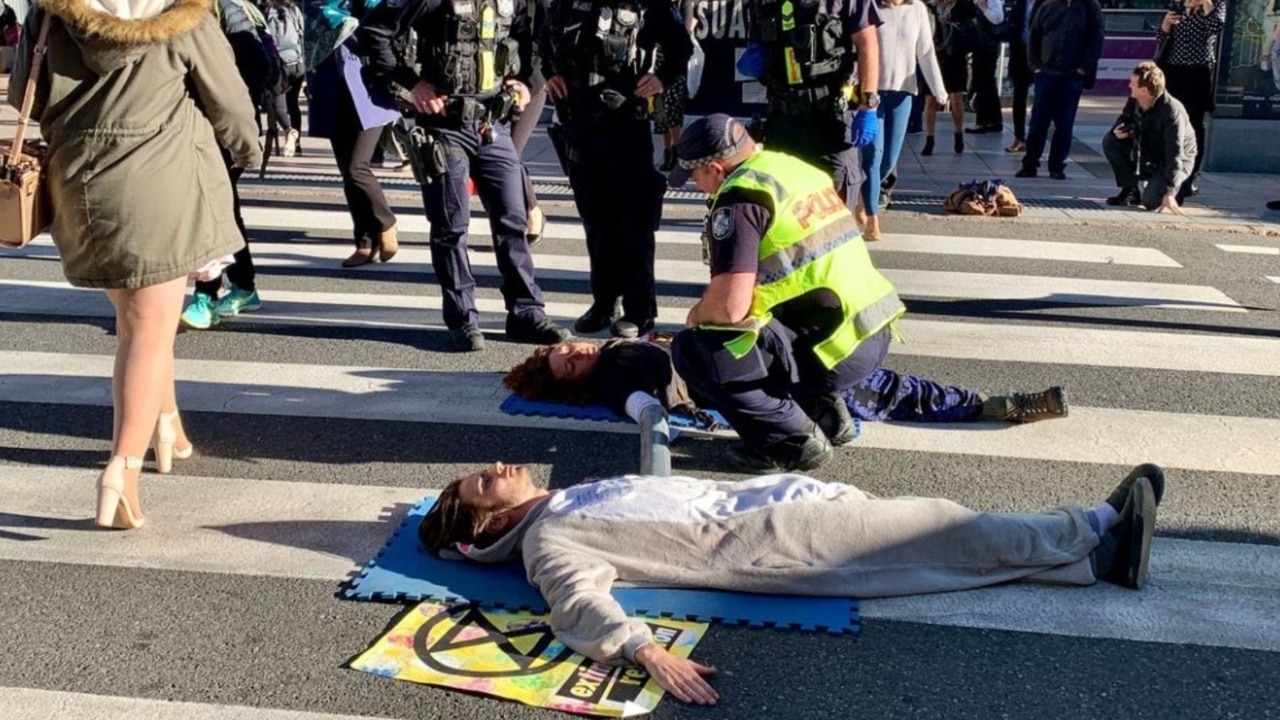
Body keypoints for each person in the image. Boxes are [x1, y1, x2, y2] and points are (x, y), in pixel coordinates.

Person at [418, 461, 1166, 704]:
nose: (502, 468)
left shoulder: (562, 498)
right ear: (484, 526)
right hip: (776, 544)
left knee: (940, 541)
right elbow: (577, 598)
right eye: (486, 483)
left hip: (773, 502)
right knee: (942, 528)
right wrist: (644, 651)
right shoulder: (550, 537)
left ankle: (1091, 561)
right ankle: (1098, 525)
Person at [11, 0, 261, 527]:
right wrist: (248, 151)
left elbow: (22, 93)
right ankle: (121, 470)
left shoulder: (52, 13)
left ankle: (167, 425)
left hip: (79, 183)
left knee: (139, 318)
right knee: (146, 332)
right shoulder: (185, 13)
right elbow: (230, 102)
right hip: (160, 178)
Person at [664, 116, 917, 472]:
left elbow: (728, 308)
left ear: (716, 169)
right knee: (772, 324)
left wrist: (696, 317)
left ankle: (790, 440)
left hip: (832, 346)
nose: (694, 184)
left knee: (697, 350)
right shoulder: (790, 169)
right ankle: (826, 413)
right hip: (867, 330)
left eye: (694, 175)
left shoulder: (740, 200)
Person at [360, 0, 572, 351]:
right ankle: (463, 319)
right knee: (451, 225)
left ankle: (526, 313)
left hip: (492, 122)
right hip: (445, 125)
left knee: (513, 221)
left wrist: (525, 81)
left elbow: (533, 37)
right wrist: (412, 85)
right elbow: (374, 31)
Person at [504, 335, 1068, 429]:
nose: (575, 353)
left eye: (566, 349)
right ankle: (996, 406)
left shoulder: (615, 346)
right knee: (877, 388)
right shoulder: (609, 381)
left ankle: (987, 404)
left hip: (737, 352)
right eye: (568, 363)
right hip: (729, 380)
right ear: (573, 384)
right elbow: (634, 405)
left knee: (867, 378)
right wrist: (655, 420)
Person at [540, 0, 692, 339]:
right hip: (578, 126)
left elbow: (681, 47)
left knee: (633, 224)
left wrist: (661, 78)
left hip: (626, 126)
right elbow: (543, 41)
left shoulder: (646, 5)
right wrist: (550, 74)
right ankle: (604, 302)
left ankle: (640, 309)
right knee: (596, 222)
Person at [179, 0, 274, 330]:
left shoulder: (226, 11)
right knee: (222, 208)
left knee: (213, 208)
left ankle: (207, 294)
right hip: (198, 129)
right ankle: (244, 286)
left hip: (220, 130)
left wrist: (221, 106)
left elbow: (257, 68)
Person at [737, 0, 882, 211]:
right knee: (783, 212)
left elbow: (867, 43)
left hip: (831, 119)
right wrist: (755, 56)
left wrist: (868, 105)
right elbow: (759, 39)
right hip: (783, 122)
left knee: (835, 214)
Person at [308, 1, 400, 269]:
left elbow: (385, 22)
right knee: (347, 173)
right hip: (332, 83)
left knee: (356, 166)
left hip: (370, 85)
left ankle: (386, 222)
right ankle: (364, 242)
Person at [859, 0, 948, 240]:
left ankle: (863, 198)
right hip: (872, 93)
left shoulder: (917, 9)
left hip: (903, 92)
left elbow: (926, 52)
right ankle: (872, 216)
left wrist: (938, 89)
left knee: (889, 159)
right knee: (872, 158)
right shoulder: (869, 6)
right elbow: (860, 46)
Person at [1015, 0, 1104, 180]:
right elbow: (1034, 36)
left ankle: (1057, 166)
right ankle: (1030, 163)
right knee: (1038, 122)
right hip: (1046, 73)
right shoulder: (1048, 6)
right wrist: (1035, 65)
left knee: (1064, 124)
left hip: (1072, 75)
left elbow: (1097, 38)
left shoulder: (1089, 7)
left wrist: (1084, 68)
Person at [1102, 62, 1196, 215]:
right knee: (1111, 141)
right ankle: (1130, 190)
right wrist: (1120, 129)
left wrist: (1170, 191)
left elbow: (1175, 152)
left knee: (1151, 202)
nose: (1129, 86)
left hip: (1174, 160)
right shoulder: (1136, 99)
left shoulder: (1171, 111)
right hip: (1149, 151)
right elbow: (1125, 117)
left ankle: (1179, 187)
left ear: (1144, 90)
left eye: (1133, 83)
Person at [1154, 0, 1225, 200]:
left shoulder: (1215, 5)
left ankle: (1190, 176)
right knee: (1170, 122)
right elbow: (1161, 40)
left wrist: (1206, 6)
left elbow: (1215, 29)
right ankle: (1167, 172)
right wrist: (1166, 24)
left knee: (1194, 126)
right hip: (1172, 72)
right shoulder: (1176, 4)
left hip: (1198, 72)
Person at [263, 0, 306, 157]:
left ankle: (289, 130)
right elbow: (302, 35)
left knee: (278, 104)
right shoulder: (294, 9)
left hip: (279, 63)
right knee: (293, 103)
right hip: (297, 63)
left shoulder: (265, 10)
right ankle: (297, 144)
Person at [1003, 0, 1039, 154]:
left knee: (1042, 100)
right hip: (1020, 55)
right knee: (1019, 97)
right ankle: (1019, 138)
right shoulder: (1020, 4)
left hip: (1041, 56)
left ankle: (1035, 139)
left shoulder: (1048, 4)